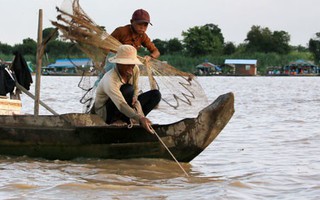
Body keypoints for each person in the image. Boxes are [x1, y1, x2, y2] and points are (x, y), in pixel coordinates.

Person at [93, 45, 161, 133]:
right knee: (127, 89)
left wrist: (135, 97)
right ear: (118, 64)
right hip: (106, 113)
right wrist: (139, 118)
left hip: (125, 106)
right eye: (127, 65)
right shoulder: (110, 79)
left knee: (155, 94)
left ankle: (132, 120)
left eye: (132, 65)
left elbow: (136, 88)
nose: (130, 68)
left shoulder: (135, 69)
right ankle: (118, 120)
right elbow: (120, 104)